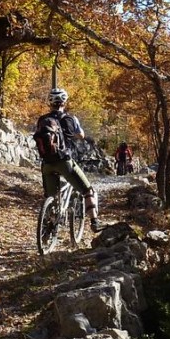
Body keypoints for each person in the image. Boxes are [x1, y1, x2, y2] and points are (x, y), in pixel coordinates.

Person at [37, 88, 104, 232]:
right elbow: (81, 135)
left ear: (50, 102)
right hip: (65, 161)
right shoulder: (71, 118)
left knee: (51, 197)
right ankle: (95, 222)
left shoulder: (42, 120)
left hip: (47, 164)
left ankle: (48, 228)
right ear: (64, 102)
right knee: (87, 190)